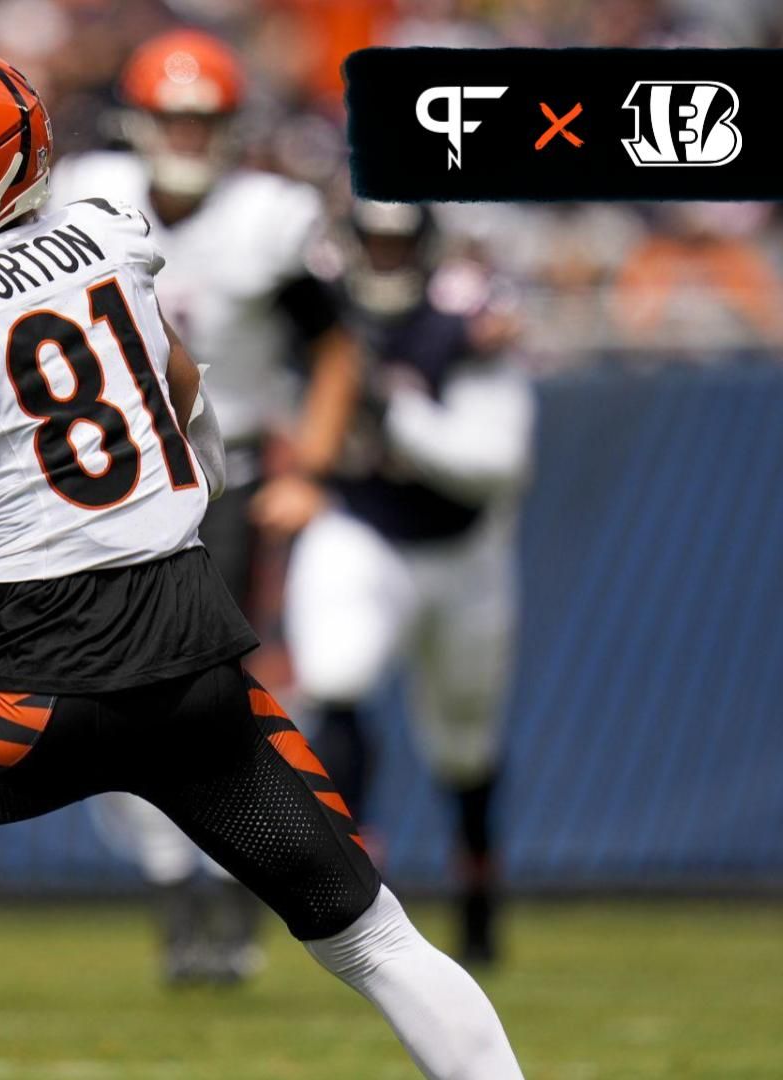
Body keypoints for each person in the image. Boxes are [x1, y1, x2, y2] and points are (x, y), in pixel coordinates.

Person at [0, 40, 523, 1080]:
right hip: (199, 669)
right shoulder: (106, 242)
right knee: (373, 936)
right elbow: (203, 435)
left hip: (41, 694)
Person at [51, 27, 363, 983]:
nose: (188, 137)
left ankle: (233, 884)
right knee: (111, 692)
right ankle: (175, 887)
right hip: (106, 475)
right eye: (173, 119)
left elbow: (338, 345)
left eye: (205, 120)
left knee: (208, 690)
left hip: (227, 479)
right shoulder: (78, 195)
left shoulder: (270, 214)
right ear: (139, 122)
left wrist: (308, 463)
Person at [286, 199, 532, 966]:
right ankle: (355, 886)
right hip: (362, 526)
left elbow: (498, 464)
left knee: (464, 741)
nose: (385, 259)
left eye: (399, 245)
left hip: (463, 551)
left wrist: (395, 414)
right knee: (336, 674)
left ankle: (477, 892)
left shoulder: (463, 320)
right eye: (374, 243)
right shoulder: (313, 307)